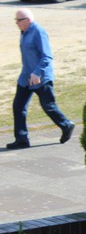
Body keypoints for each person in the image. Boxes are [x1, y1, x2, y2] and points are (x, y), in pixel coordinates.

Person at [7, 8, 75, 150]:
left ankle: (66, 125)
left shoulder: (38, 32)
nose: (17, 23)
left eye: (19, 20)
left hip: (41, 78)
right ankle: (21, 139)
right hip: (26, 78)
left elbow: (47, 56)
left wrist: (37, 73)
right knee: (18, 107)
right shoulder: (24, 32)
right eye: (16, 20)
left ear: (28, 20)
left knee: (48, 106)